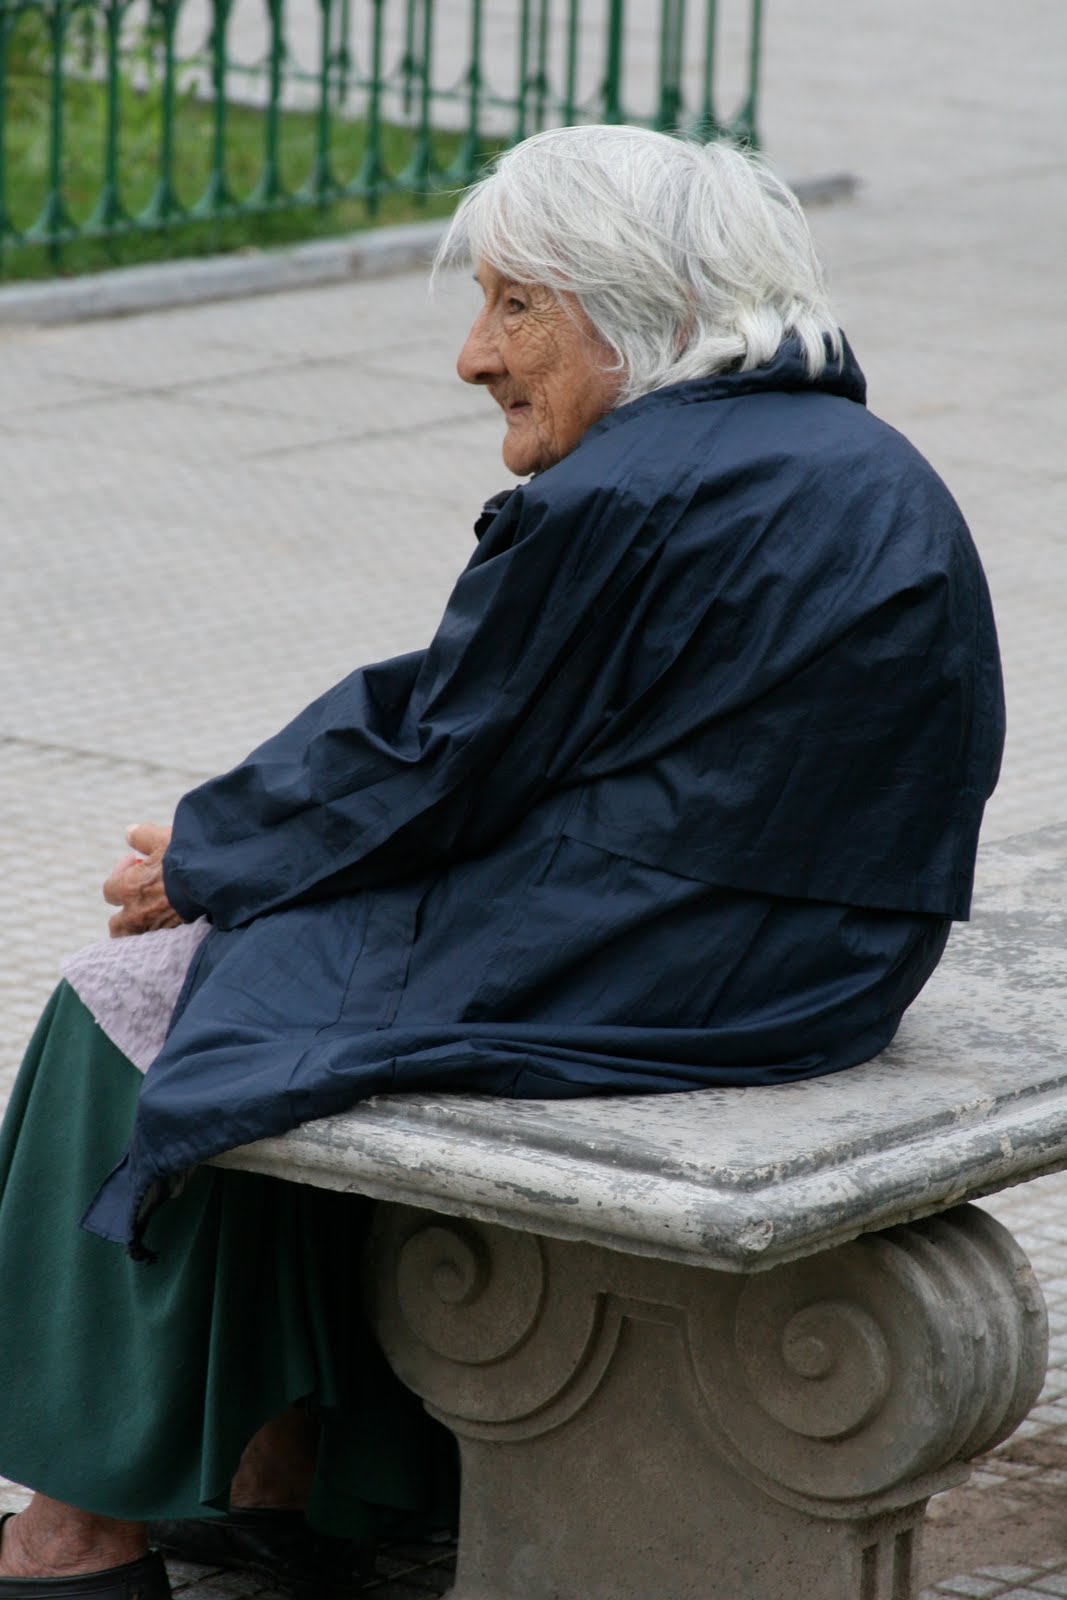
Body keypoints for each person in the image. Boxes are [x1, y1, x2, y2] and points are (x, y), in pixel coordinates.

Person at [0, 124, 1003, 1598]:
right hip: (810, 957)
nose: (475, 357)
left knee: (136, 1004)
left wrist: (207, 860)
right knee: (261, 972)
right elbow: (484, 728)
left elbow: (440, 764)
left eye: (516, 306)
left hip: (701, 962)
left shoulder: (635, 490)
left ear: (638, 310)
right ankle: (306, 1476)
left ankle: (77, 1536)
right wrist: (237, 844)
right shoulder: (824, 450)